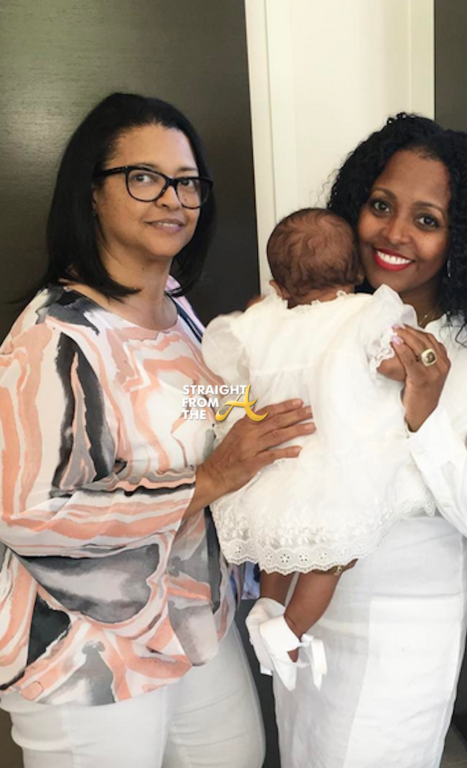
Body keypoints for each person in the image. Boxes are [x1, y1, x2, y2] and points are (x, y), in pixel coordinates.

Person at [0, 93, 314, 768]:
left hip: (195, 624)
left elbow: (192, 409)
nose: (173, 199)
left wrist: (270, 363)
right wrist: (211, 479)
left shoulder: (175, 306)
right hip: (85, 653)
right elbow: (30, 514)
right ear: (92, 192)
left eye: (187, 182)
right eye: (144, 177)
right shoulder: (55, 338)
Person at [267, 114, 467, 768]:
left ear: (463, 239)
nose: (393, 234)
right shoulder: (316, 322)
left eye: (427, 219)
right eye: (381, 205)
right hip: (297, 616)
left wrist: (427, 416)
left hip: (400, 640)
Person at [202, 207, 435, 690]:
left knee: (281, 547)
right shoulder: (365, 314)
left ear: (277, 285)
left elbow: (227, 388)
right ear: (354, 272)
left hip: (277, 466)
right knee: (328, 560)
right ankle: (288, 631)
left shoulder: (257, 322)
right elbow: (395, 363)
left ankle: (269, 605)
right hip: (338, 470)